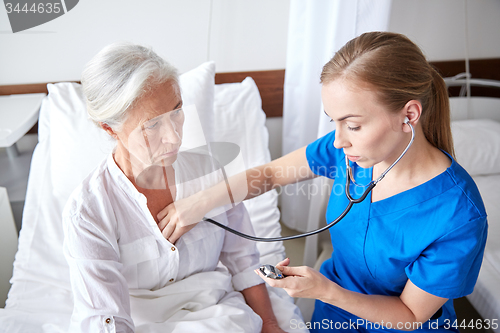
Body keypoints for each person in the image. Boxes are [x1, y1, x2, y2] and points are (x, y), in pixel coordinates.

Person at [158, 32, 488, 332]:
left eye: (353, 125)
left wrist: (325, 290)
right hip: (334, 317)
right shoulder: (352, 152)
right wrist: (200, 202)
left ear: (409, 115)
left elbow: (411, 315)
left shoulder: (458, 215)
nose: (338, 140)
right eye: (335, 122)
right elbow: (270, 174)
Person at [62, 42, 287, 332]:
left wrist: (269, 323)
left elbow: (243, 261)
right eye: (152, 125)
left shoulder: (210, 173)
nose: (174, 136)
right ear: (110, 128)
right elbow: (107, 317)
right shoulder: (89, 212)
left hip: (219, 315)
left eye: (177, 110)